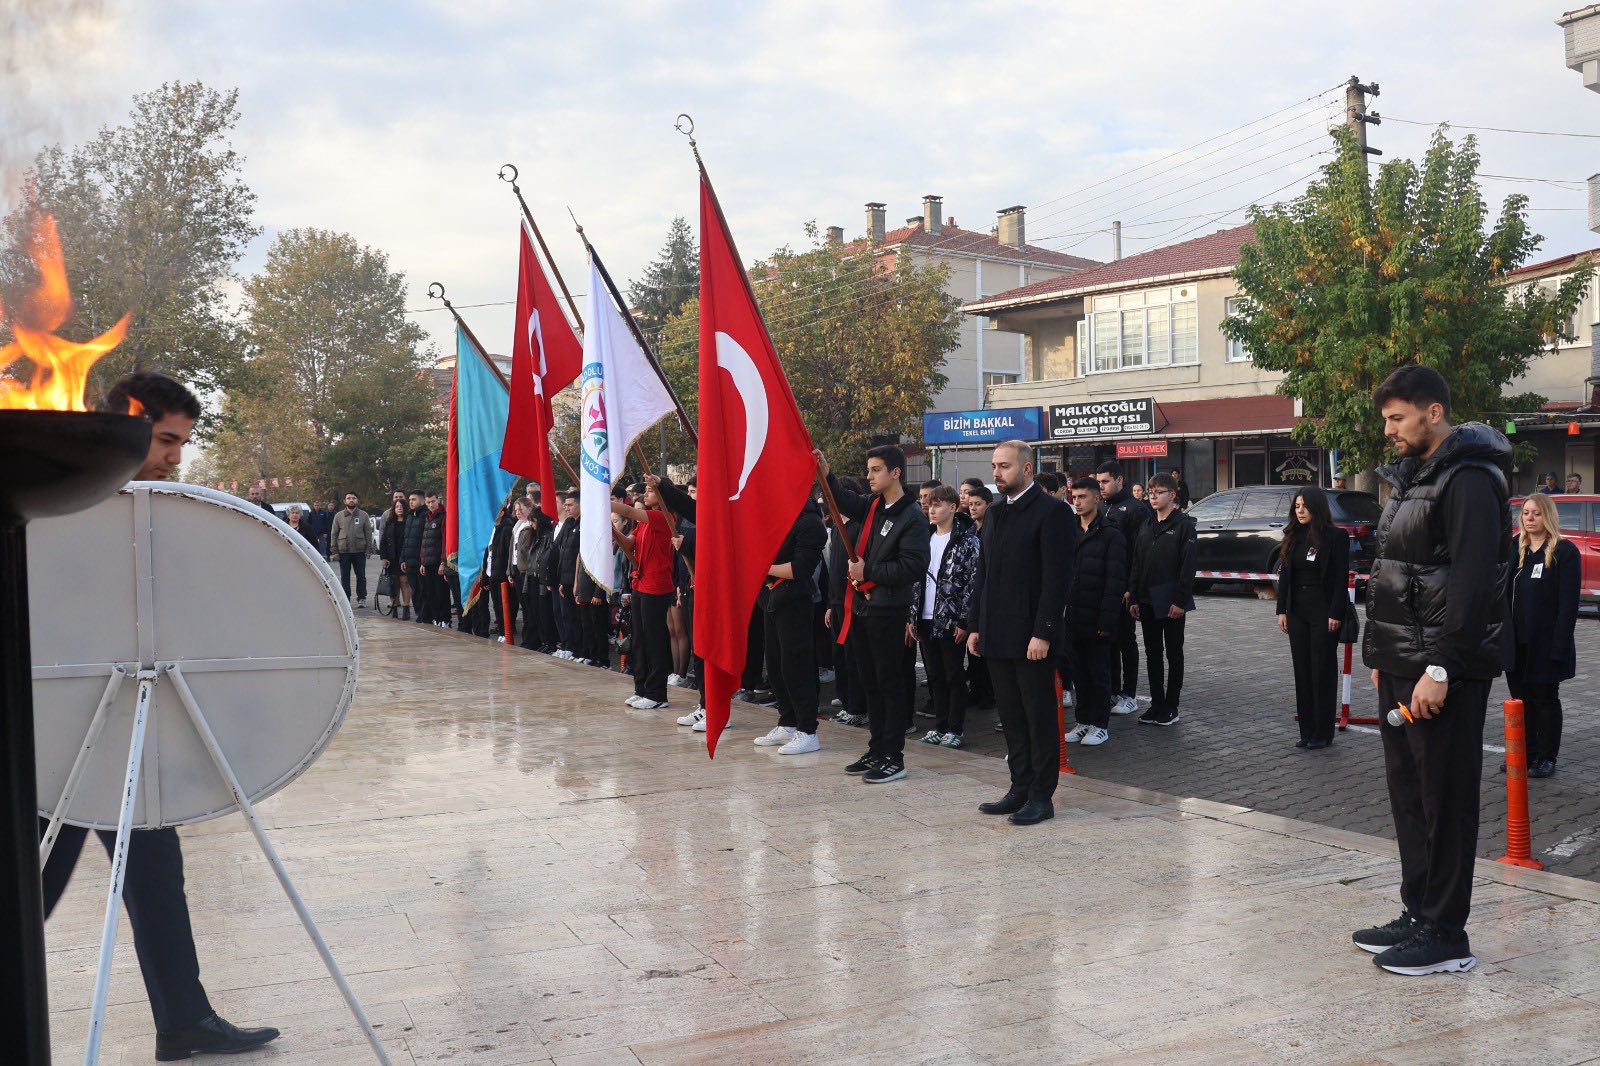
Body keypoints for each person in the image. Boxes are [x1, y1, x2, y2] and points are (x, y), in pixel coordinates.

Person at [40, 372, 279, 1059]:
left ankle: (184, 1022)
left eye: (182, 444)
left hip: (126, 736)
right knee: (33, 891)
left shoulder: (153, 513)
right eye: (166, 440)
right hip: (52, 744)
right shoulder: (55, 503)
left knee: (156, 878)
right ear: (124, 426)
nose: (176, 457)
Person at [1357, 364, 1511, 977]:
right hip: (1402, 662)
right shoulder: (1410, 477)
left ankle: (1446, 932)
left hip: (1443, 670)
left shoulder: (1469, 479)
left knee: (1445, 798)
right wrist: (1382, 656)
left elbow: (1474, 582)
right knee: (1410, 793)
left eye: (1398, 418)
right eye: (1387, 419)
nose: (1389, 430)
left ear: (1434, 413)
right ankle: (1418, 910)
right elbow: (1393, 571)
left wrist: (1442, 668)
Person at [966, 441, 1073, 824]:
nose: (996, 473)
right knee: (1011, 717)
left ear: (1027, 469)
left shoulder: (1053, 512)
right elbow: (984, 575)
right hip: (997, 634)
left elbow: (1057, 579)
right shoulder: (995, 513)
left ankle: (1042, 797)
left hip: (1032, 638)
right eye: (994, 465)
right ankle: (1019, 788)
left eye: (1004, 466)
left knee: (1038, 717)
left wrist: (1043, 632)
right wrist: (975, 625)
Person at [817, 444, 931, 784]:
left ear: (896, 473)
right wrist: (826, 474)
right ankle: (877, 748)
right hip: (863, 608)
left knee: (889, 683)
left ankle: (894, 755)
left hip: (888, 611)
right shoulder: (872, 505)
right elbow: (841, 500)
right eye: (868, 470)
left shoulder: (911, 516)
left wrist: (870, 571)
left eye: (876, 470)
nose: (869, 476)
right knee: (869, 682)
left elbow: (912, 567)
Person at [1504, 493, 1579, 779]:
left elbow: (1568, 605)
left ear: (1547, 516)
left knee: (1544, 699)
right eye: (1526, 513)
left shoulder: (1564, 551)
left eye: (1536, 513)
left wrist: (1559, 647)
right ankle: (1527, 754)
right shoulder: (1516, 547)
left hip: (1545, 643)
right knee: (1521, 699)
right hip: (1516, 642)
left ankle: (1547, 757)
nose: (1530, 518)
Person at [1274, 487, 1350, 749]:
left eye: (1305, 506)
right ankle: (1306, 731)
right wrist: (1281, 610)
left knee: (1322, 669)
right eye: (1296, 506)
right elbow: (1285, 575)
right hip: (1297, 611)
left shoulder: (1336, 536)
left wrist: (1335, 612)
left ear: (1317, 507)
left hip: (1323, 611)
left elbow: (1340, 577)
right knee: (1302, 669)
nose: (1300, 511)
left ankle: (1322, 732)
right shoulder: (1293, 535)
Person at [752, 498, 828, 754]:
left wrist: (763, 567)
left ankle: (807, 729)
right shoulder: (776, 518)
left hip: (794, 601)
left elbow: (800, 568)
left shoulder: (810, 522)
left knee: (796, 666)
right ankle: (788, 722)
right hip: (771, 599)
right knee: (775, 665)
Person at [1129, 473, 1197, 728]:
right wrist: (1134, 596)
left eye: (1159, 492)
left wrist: (1180, 601)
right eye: (1150, 492)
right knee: (1153, 654)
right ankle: (1156, 704)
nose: (1153, 497)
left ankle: (1171, 706)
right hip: (1147, 600)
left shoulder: (1184, 525)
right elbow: (1137, 563)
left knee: (1174, 654)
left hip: (1171, 600)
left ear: (1172, 494)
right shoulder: (1146, 525)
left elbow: (1187, 567)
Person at [1064, 476, 1126, 748]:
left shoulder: (1111, 534)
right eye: (1074, 497)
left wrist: (1107, 619)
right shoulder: (1069, 531)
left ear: (1097, 499)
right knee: (1079, 673)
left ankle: (1100, 725)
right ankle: (1083, 721)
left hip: (1099, 617)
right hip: (1073, 615)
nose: (1077, 503)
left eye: (1082, 497)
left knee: (1099, 673)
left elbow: (1115, 581)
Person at [918, 485, 980, 748]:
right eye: (930, 505)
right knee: (935, 676)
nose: (931, 510)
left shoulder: (968, 541)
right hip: (925, 617)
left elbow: (972, 584)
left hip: (951, 619)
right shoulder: (925, 538)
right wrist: (912, 617)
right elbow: (915, 581)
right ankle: (940, 725)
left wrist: (965, 621)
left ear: (953, 507)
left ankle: (955, 728)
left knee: (954, 675)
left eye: (938, 505)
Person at [1096, 461, 1152, 716]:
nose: (1101, 486)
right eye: (1098, 482)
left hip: (1125, 587)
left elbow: (1141, 552)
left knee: (1125, 641)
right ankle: (1112, 690)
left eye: (1105, 481)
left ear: (1119, 480)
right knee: (1107, 638)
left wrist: (1133, 587)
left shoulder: (1136, 509)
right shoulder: (1101, 506)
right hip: (1104, 587)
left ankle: (1129, 695)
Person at [614, 481, 676, 707]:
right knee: (639, 639)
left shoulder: (663, 517)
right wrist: (613, 530)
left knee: (654, 640)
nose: (646, 494)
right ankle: (641, 688)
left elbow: (629, 511)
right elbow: (629, 543)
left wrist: (601, 501)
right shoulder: (644, 522)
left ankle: (657, 694)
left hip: (656, 586)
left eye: (651, 491)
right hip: (640, 583)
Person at [329, 491, 372, 607]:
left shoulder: (363, 515)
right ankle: (346, 599)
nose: (351, 500)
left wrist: (368, 549)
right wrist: (334, 551)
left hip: (359, 551)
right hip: (344, 551)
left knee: (361, 576)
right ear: (345, 501)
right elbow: (334, 534)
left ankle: (361, 598)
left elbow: (368, 533)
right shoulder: (338, 516)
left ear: (357, 500)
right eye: (349, 498)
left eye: (353, 498)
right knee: (345, 577)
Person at [417, 490, 449, 626]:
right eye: (428, 502)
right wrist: (422, 562)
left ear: (438, 500)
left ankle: (445, 619)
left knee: (441, 593)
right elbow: (424, 542)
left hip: (438, 562)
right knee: (430, 594)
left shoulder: (444, 516)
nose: (431, 504)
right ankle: (437, 618)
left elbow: (445, 541)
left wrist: (443, 562)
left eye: (433, 501)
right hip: (427, 562)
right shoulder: (426, 517)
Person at [379, 495, 411, 619]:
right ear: (394, 508)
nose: (399, 508)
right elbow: (383, 541)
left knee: (404, 582)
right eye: (397, 506)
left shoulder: (409, 522)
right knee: (394, 583)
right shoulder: (390, 522)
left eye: (401, 506)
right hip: (391, 558)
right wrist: (383, 558)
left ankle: (406, 608)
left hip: (404, 557)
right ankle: (394, 608)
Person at [400, 490, 426, 623]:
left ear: (422, 500)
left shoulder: (425, 515)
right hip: (409, 561)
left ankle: (424, 615)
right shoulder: (410, 516)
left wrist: (423, 560)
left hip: (420, 561)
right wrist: (403, 559)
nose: (410, 502)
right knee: (414, 590)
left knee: (423, 590)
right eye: (409, 499)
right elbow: (406, 540)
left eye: (413, 499)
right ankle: (419, 613)